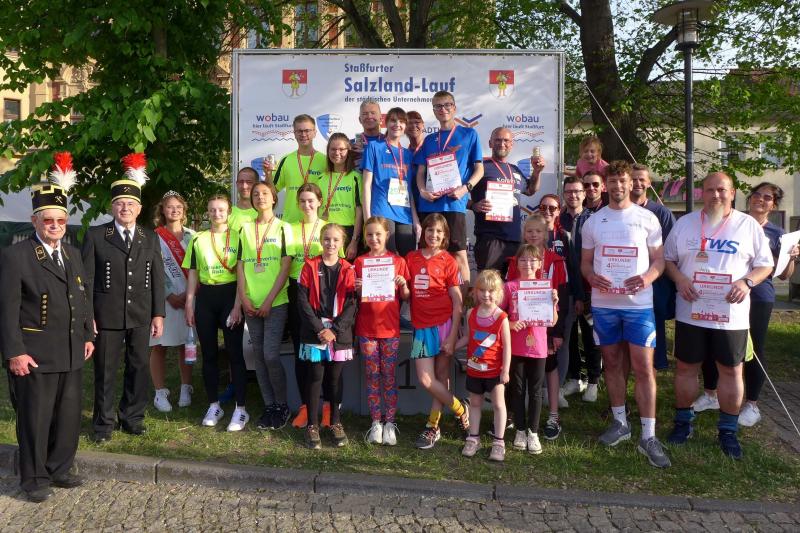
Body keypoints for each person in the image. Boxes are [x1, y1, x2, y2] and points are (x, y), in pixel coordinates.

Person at [0, 153, 94, 502]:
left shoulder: (72, 254)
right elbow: (6, 310)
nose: (55, 226)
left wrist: (88, 335)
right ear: (34, 221)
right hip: (35, 354)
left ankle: (60, 467)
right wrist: (14, 352)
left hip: (70, 350)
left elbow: (82, 296)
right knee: (35, 419)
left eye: (60, 220)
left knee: (68, 415)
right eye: (48, 220)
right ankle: (34, 478)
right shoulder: (16, 256)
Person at [664, 173, 774, 459]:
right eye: (710, 190)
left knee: (731, 371)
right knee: (686, 368)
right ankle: (683, 423)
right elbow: (669, 259)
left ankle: (728, 431)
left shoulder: (748, 225)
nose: (716, 195)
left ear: (732, 193)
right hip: (691, 312)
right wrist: (680, 279)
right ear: (702, 193)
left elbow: (765, 265)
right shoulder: (685, 223)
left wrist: (746, 282)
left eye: (722, 190)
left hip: (730, 314)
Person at [580, 160, 670, 468]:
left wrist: (646, 278)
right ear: (606, 185)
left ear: (632, 184)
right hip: (604, 305)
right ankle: (620, 422)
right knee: (612, 363)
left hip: (638, 305)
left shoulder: (648, 218)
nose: (617, 186)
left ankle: (649, 435)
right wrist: (592, 277)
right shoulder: (593, 222)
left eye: (623, 181)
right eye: (613, 181)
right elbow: (585, 263)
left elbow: (660, 261)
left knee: (644, 367)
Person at [694, 182, 799, 426]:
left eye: (767, 197)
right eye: (757, 195)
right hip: (724, 292)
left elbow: (784, 275)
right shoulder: (731, 222)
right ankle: (711, 394)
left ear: (774, 205)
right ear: (749, 198)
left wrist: (792, 258)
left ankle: (752, 404)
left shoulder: (778, 234)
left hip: (758, 296)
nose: (760, 199)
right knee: (714, 341)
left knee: (754, 349)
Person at [82, 153, 165, 442]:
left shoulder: (149, 237)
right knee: (105, 371)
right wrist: (88, 315)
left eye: (130, 204)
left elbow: (157, 278)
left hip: (140, 314)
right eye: (120, 203)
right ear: (112, 207)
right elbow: (87, 280)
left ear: (139, 209)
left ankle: (132, 417)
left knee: (139, 367)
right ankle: (103, 424)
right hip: (106, 316)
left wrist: (158, 313)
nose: (125, 208)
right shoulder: (96, 235)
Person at [183, 195, 249, 431]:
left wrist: (238, 305)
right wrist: (189, 302)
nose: (217, 214)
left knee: (235, 353)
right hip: (206, 299)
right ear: (208, 212)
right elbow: (193, 272)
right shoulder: (198, 239)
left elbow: (242, 273)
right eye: (212, 210)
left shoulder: (239, 237)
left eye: (221, 210)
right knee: (209, 354)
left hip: (230, 296)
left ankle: (241, 408)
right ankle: (214, 405)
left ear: (229, 212)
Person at [407, 213, 469, 449]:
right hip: (422, 327)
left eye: (439, 232)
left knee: (442, 377)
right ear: (423, 231)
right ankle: (461, 410)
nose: (434, 235)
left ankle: (432, 426)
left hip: (444, 325)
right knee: (426, 379)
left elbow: (458, 302)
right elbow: (406, 293)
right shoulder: (411, 258)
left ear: (445, 236)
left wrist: (452, 337)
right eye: (430, 230)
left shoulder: (448, 261)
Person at [237, 181, 293, 430]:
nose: (260, 197)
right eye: (256, 194)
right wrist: (244, 298)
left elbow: (286, 266)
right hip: (251, 302)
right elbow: (240, 266)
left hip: (276, 301)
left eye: (265, 193)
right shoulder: (245, 228)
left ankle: (282, 405)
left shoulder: (284, 227)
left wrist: (269, 300)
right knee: (258, 356)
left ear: (274, 198)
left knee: (270, 354)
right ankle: (269, 405)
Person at [414, 91, 484, 288]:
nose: (442, 109)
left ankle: (462, 302)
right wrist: (422, 191)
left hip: (453, 203)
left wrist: (465, 189)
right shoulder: (429, 140)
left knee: (459, 255)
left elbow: (479, 169)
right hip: (430, 205)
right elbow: (421, 172)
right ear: (434, 110)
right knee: (428, 253)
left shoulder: (469, 134)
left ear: (454, 108)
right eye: (438, 106)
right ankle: (430, 297)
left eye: (447, 105)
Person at [297, 223, 357, 449]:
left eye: (335, 240)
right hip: (315, 332)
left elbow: (351, 305)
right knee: (315, 377)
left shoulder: (348, 269)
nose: (331, 243)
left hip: (338, 333)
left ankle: (335, 422)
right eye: (327, 239)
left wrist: (334, 330)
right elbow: (302, 302)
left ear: (342, 243)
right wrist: (319, 328)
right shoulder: (309, 265)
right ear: (321, 240)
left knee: (335, 379)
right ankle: (312, 425)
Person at [507, 214, 567, 439]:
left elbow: (562, 297)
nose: (533, 235)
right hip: (520, 330)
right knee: (519, 378)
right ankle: (515, 419)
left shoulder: (556, 261)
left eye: (538, 231)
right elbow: (509, 293)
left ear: (546, 234)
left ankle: (553, 416)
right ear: (524, 234)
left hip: (547, 326)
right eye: (529, 231)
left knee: (549, 368)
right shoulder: (517, 260)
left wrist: (557, 332)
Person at [354, 217, 410, 446]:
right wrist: (358, 289)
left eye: (378, 234)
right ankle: (376, 422)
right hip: (367, 328)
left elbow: (406, 297)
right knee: (372, 375)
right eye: (369, 234)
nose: (374, 238)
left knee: (388, 375)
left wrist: (403, 284)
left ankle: (390, 423)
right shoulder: (359, 262)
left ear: (387, 234)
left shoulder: (398, 261)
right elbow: (357, 297)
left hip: (389, 328)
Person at [286, 183, 338, 428]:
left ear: (319, 202)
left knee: (327, 353)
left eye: (311, 200)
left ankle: (328, 407)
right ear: (297, 204)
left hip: (323, 292)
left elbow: (337, 263)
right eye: (302, 201)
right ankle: (306, 407)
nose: (306, 205)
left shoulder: (328, 228)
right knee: (302, 352)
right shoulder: (290, 228)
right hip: (297, 290)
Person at [503, 245, 559, 455]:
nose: (528, 264)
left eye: (532, 260)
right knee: (517, 389)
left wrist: (553, 303)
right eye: (523, 260)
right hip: (516, 346)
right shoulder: (509, 287)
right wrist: (510, 323)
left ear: (539, 264)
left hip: (538, 347)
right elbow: (498, 315)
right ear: (516, 263)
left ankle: (533, 432)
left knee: (535, 391)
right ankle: (520, 429)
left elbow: (553, 320)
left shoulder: (546, 288)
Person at [470, 126, 544, 275]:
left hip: (514, 239)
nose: (502, 144)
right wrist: (474, 205)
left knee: (513, 283)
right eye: (497, 140)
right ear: (490, 143)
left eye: (506, 140)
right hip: (490, 238)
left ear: (511, 144)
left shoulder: (514, 169)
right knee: (489, 283)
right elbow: (459, 191)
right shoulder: (480, 167)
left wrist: (537, 172)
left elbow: (531, 190)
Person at [457, 270, 512, 462]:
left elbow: (507, 347)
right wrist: (451, 346)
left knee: (498, 404)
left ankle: (499, 442)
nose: (486, 294)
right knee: (475, 403)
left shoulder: (502, 317)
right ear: (476, 291)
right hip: (474, 370)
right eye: (482, 290)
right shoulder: (470, 313)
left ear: (498, 293)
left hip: (495, 372)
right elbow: (467, 337)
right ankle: (473, 438)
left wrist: (505, 370)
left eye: (490, 290)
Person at [150, 191, 195, 412]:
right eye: (170, 207)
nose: (174, 210)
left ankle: (186, 387)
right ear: (163, 210)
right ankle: (159, 392)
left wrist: (188, 295)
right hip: (164, 300)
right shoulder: (154, 237)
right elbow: (152, 269)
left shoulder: (193, 236)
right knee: (159, 345)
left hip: (189, 298)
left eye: (178, 206)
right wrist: (168, 294)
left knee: (186, 344)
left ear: (184, 210)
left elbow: (199, 267)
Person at [630, 164, 676, 371]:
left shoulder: (661, 213)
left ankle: (657, 363)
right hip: (625, 278)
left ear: (649, 183)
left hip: (654, 279)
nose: (638, 183)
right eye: (634, 179)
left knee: (654, 321)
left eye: (642, 179)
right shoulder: (618, 211)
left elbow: (671, 248)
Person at [568, 170, 607, 401]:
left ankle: (593, 380)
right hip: (568, 287)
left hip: (591, 286)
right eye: (569, 192)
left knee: (592, 336)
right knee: (570, 336)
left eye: (577, 192)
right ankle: (575, 378)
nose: (573, 196)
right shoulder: (562, 217)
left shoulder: (598, 218)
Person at [362, 107, 420, 257]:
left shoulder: (408, 154)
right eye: (393, 120)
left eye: (401, 121)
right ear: (386, 123)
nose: (397, 124)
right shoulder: (374, 147)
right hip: (382, 210)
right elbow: (366, 185)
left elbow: (409, 191)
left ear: (405, 126)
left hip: (404, 213)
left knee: (408, 257)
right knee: (388, 257)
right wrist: (368, 219)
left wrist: (415, 220)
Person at [273, 114, 327, 224]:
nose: (303, 134)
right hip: (291, 223)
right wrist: (268, 174)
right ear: (294, 133)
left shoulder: (325, 161)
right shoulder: (286, 160)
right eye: (299, 131)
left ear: (314, 132)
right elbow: (272, 191)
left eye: (307, 131)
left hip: (316, 224)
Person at [318, 132, 362, 260]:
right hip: (325, 233)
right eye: (333, 149)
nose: (337, 153)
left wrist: (354, 241)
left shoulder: (356, 177)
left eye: (342, 149)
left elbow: (359, 211)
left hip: (348, 233)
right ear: (328, 151)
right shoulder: (320, 178)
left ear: (348, 151)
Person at [351, 98, 384, 168]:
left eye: (373, 113)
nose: (369, 116)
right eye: (365, 114)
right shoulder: (351, 145)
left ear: (381, 118)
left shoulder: (389, 141)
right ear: (360, 119)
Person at [228, 167, 259, 232]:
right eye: (241, 182)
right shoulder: (227, 213)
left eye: (249, 182)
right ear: (237, 184)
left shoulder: (262, 213)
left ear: (256, 184)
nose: (244, 186)